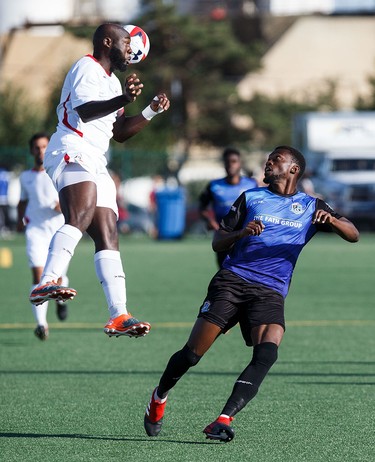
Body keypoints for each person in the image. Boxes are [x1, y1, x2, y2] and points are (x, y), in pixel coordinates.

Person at [144, 145, 359, 442]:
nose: (268, 163)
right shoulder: (252, 197)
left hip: (271, 290)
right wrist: (241, 233)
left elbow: (353, 234)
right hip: (232, 281)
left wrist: (333, 221)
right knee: (192, 355)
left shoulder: (312, 206)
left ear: (293, 169)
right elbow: (218, 242)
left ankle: (223, 419)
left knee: (268, 352)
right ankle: (159, 396)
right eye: (269, 159)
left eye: (276, 160)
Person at [29, 23, 170, 339]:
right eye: (125, 42)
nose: (130, 50)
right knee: (78, 217)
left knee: (108, 233)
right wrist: (122, 99)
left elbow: (118, 133)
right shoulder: (87, 67)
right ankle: (46, 282)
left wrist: (149, 110)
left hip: (96, 158)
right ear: (108, 42)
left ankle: (119, 315)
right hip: (71, 147)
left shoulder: (113, 81)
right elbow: (86, 111)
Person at [17, 133, 69, 341]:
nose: (41, 151)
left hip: (58, 232)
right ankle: (41, 324)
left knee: (57, 279)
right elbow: (22, 201)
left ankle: (60, 301)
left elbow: (71, 195)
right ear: (31, 151)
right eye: (37, 148)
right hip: (35, 232)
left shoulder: (58, 171)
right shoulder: (25, 177)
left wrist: (62, 204)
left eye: (44, 147)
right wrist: (19, 221)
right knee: (39, 278)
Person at [198, 147, 257, 267]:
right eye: (227, 162)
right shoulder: (214, 186)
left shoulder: (251, 184)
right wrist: (209, 220)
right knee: (224, 271)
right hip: (224, 235)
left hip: (246, 235)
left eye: (234, 161)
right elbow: (202, 207)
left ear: (240, 164)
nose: (231, 165)